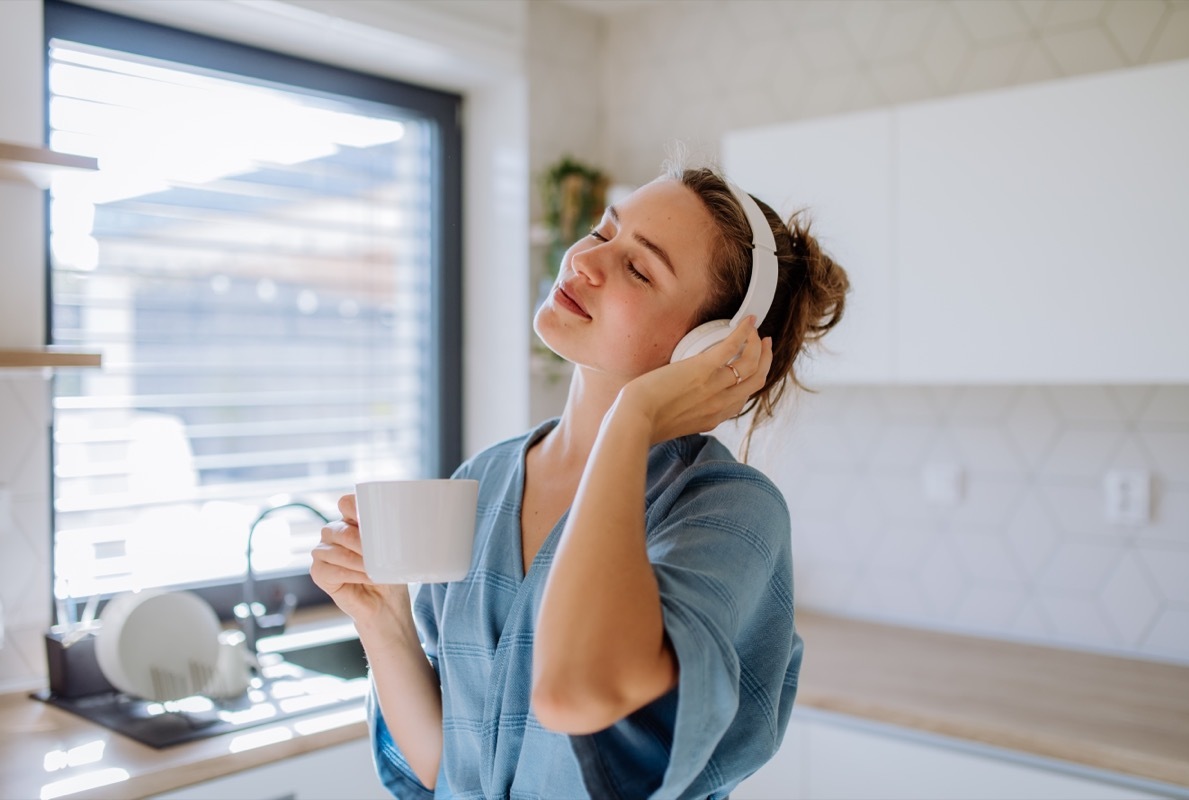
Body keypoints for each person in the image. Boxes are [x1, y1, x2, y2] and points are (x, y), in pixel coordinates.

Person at [310, 157, 850, 799]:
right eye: (602, 232)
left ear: (708, 347)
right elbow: (457, 772)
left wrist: (635, 416)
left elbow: (580, 692)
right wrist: (385, 622)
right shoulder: (482, 481)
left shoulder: (727, 512)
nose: (584, 262)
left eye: (639, 268)